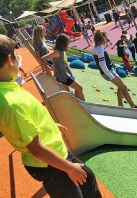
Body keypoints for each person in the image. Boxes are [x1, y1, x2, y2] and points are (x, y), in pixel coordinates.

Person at [0, 35, 101, 198]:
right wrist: (68, 168)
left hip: (55, 151)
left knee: (87, 179)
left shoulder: (9, 85)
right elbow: (36, 149)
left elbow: (31, 117)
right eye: (16, 56)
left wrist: (51, 126)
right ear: (10, 60)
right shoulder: (10, 103)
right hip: (47, 162)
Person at [92, 30, 137, 108]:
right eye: (105, 38)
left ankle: (120, 105)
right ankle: (133, 106)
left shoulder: (97, 48)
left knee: (121, 87)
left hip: (109, 71)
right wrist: (111, 76)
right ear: (102, 38)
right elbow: (102, 64)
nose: (106, 39)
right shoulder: (99, 49)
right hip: (108, 72)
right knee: (124, 87)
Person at [41, 34, 85, 101]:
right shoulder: (57, 52)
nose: (68, 45)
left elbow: (57, 61)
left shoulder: (60, 51)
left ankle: (78, 102)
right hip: (64, 76)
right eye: (67, 43)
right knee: (79, 88)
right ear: (63, 43)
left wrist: (61, 63)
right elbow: (43, 59)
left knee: (73, 91)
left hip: (65, 74)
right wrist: (47, 70)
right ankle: (83, 104)